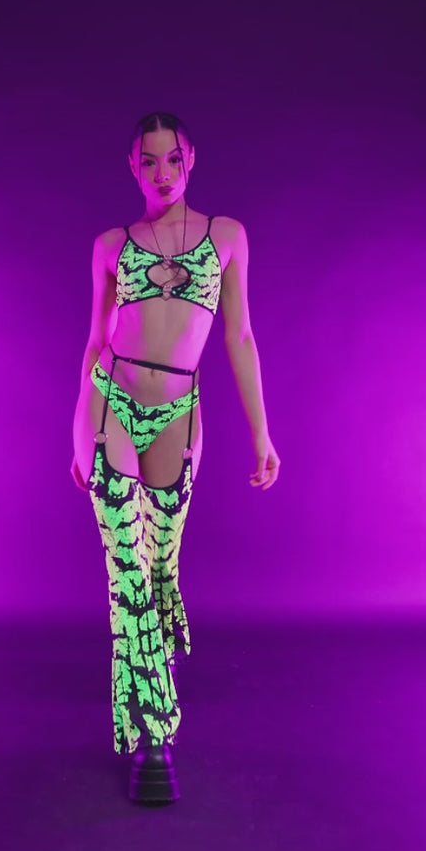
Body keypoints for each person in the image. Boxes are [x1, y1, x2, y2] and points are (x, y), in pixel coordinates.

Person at [71, 112, 280, 804]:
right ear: (132, 167)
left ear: (191, 159)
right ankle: (154, 736)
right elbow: (95, 342)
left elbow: (239, 337)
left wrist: (261, 434)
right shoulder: (111, 245)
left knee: (160, 566)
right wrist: (77, 425)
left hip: (177, 415)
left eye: (172, 160)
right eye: (148, 162)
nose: (161, 174)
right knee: (127, 572)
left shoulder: (226, 237)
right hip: (111, 403)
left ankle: (153, 663)